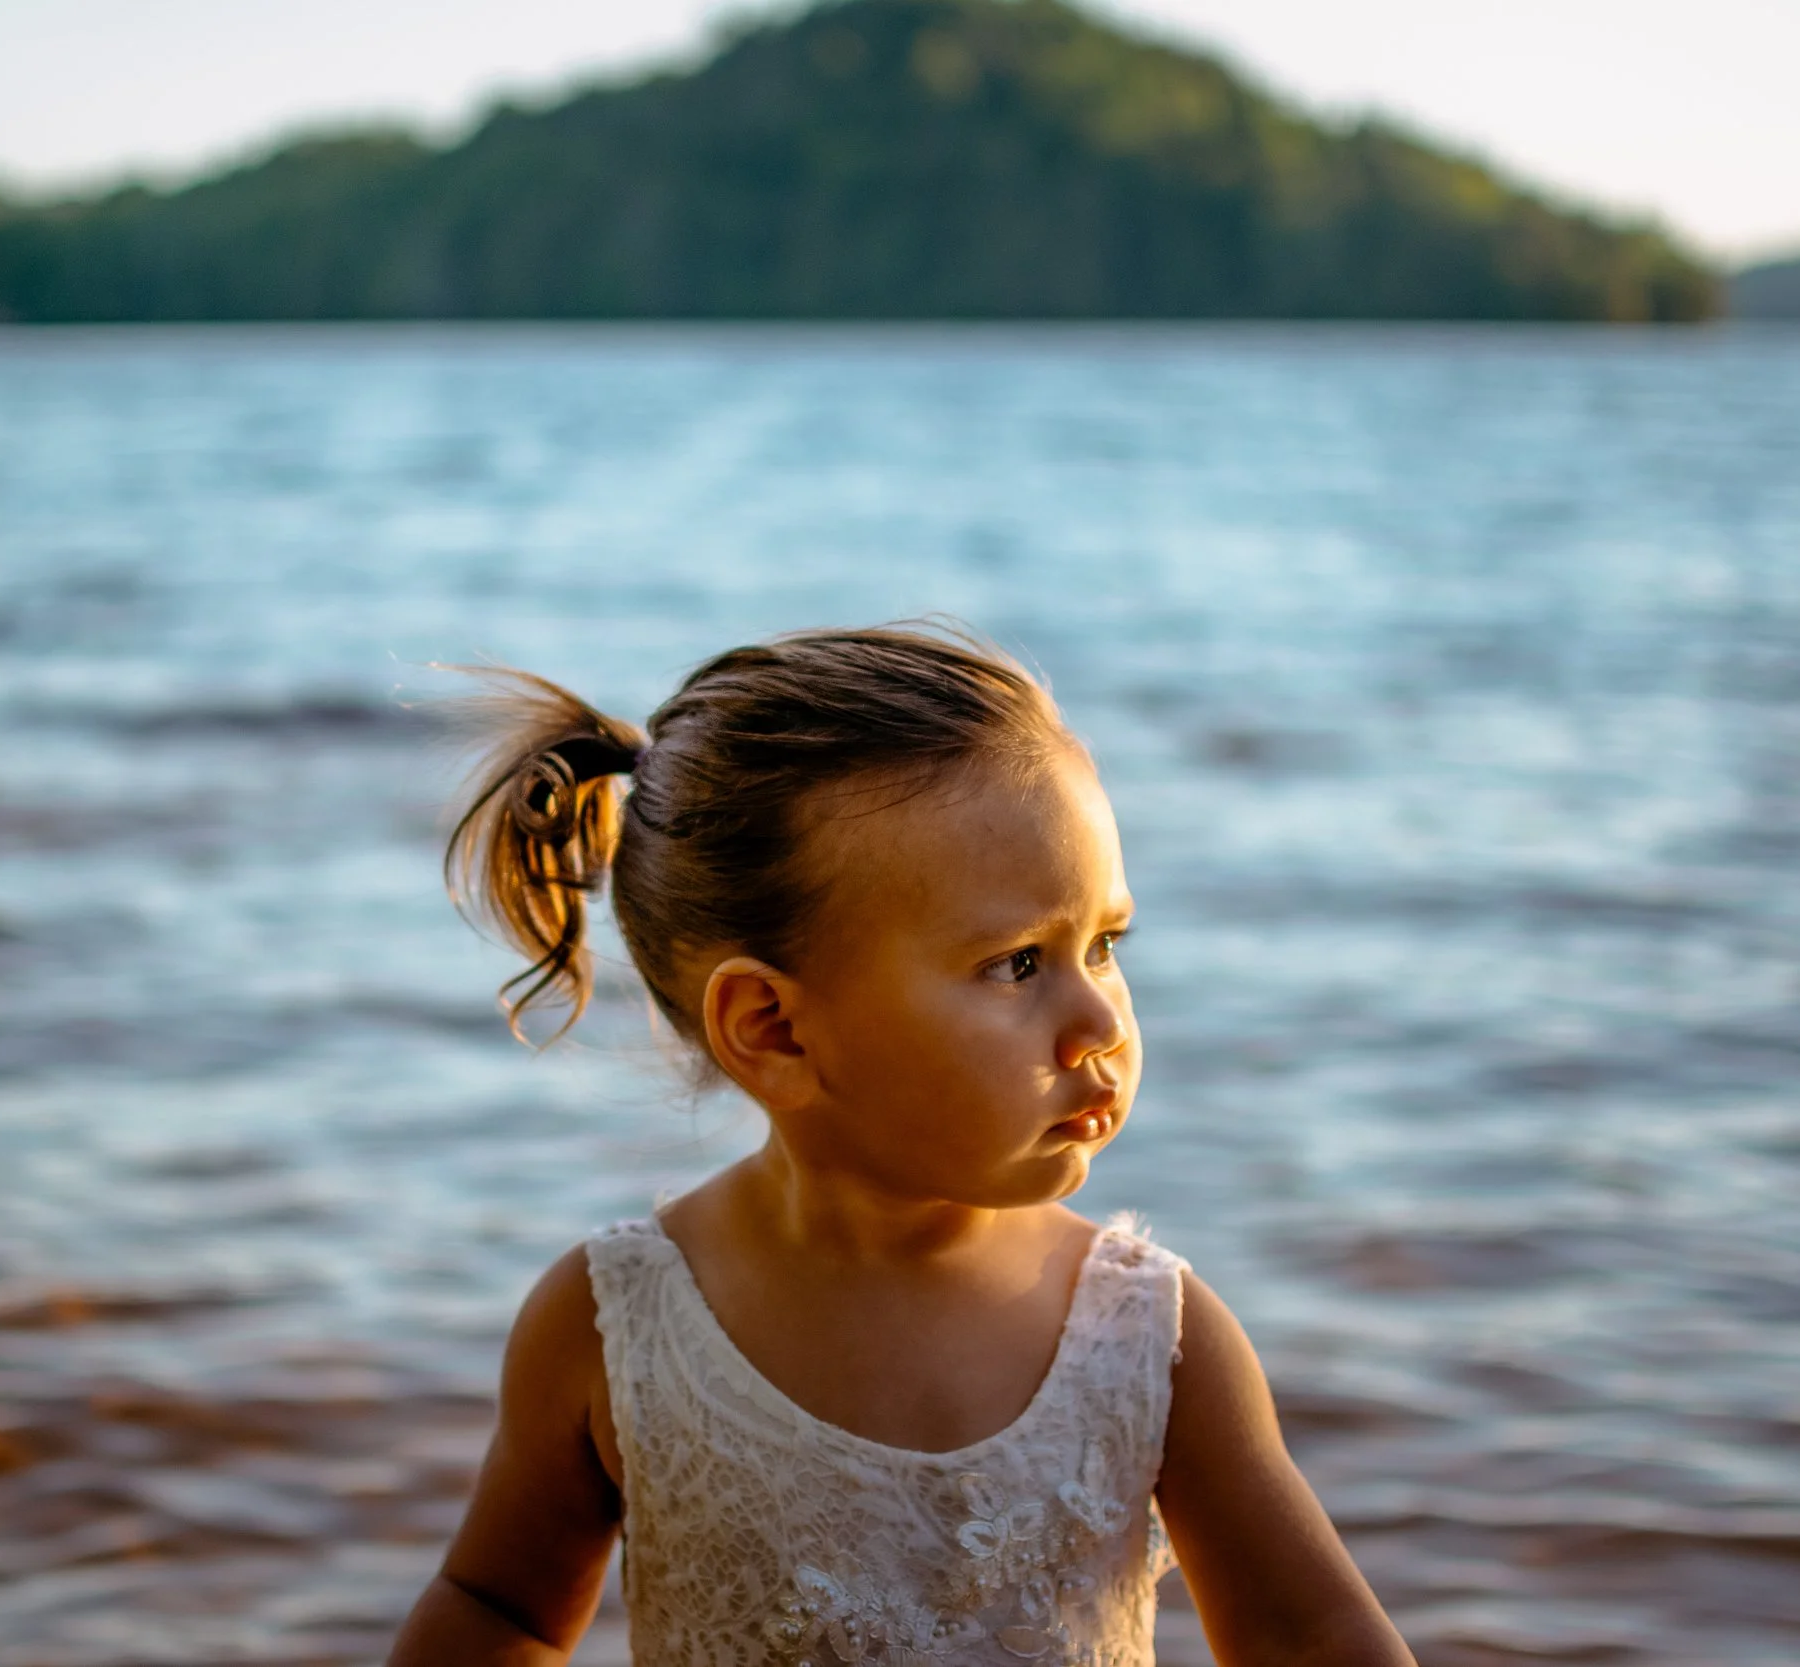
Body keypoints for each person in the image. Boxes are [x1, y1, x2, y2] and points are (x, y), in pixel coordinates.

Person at [387, 624, 1413, 1667]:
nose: (1099, 1021)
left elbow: (1307, 1636)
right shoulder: (616, 1326)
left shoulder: (1147, 1338)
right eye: (1017, 964)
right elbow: (496, 1606)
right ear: (773, 1028)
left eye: (1102, 945)